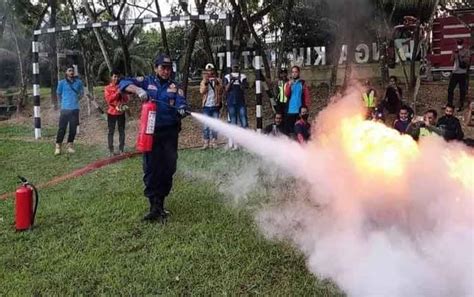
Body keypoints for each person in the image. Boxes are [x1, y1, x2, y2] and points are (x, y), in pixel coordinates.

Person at [119, 54, 188, 222]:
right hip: (151, 133)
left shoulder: (175, 86)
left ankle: (161, 203)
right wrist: (138, 90)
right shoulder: (146, 81)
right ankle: (154, 207)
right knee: (151, 168)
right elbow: (123, 83)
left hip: (170, 133)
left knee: (169, 168)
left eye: (168, 68)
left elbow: (182, 102)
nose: (166, 71)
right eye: (162, 68)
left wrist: (182, 109)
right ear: (156, 68)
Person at [54, 66, 84, 155]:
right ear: (66, 72)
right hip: (65, 109)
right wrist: (62, 103)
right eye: (69, 70)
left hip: (75, 109)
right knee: (62, 129)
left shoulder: (78, 82)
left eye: (72, 71)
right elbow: (58, 94)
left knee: (73, 129)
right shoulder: (61, 83)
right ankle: (58, 146)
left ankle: (70, 146)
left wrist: (76, 100)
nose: (71, 72)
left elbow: (81, 93)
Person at [104, 68, 129, 156]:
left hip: (121, 112)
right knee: (111, 131)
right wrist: (117, 93)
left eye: (118, 77)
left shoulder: (122, 87)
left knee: (122, 131)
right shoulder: (107, 88)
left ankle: (121, 149)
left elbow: (126, 99)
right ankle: (111, 151)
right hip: (111, 112)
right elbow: (109, 100)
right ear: (111, 77)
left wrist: (122, 93)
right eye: (114, 77)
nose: (116, 79)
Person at [224, 62, 248, 150]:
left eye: (236, 66)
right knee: (233, 123)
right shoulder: (227, 76)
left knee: (244, 123)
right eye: (234, 67)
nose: (235, 68)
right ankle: (235, 144)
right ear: (231, 67)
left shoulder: (243, 76)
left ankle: (244, 143)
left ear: (239, 67)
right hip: (231, 103)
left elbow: (244, 88)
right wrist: (231, 81)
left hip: (241, 102)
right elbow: (226, 89)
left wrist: (239, 80)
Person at [200, 63, 223, 149]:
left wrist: (217, 83)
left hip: (215, 105)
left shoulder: (218, 80)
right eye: (208, 71)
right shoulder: (203, 81)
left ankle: (214, 142)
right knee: (206, 125)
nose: (210, 73)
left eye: (211, 71)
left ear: (214, 71)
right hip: (206, 106)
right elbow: (202, 92)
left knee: (215, 124)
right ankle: (206, 142)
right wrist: (206, 83)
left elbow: (221, 91)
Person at [284, 66, 311, 135]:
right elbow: (286, 94)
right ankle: (291, 144)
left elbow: (307, 96)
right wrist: (290, 85)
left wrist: (306, 107)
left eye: (296, 72)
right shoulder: (288, 83)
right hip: (290, 111)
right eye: (293, 72)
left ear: (299, 73)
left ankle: (301, 144)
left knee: (300, 130)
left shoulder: (302, 83)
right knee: (291, 131)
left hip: (300, 111)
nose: (294, 74)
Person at [447, 39, 470, 112]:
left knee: (462, 90)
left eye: (460, 43)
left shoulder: (466, 51)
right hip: (455, 72)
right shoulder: (455, 50)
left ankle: (461, 105)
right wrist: (454, 54)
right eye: (458, 43)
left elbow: (467, 61)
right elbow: (451, 61)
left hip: (462, 73)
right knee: (450, 89)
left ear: (463, 43)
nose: (459, 45)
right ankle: (449, 103)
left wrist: (460, 55)